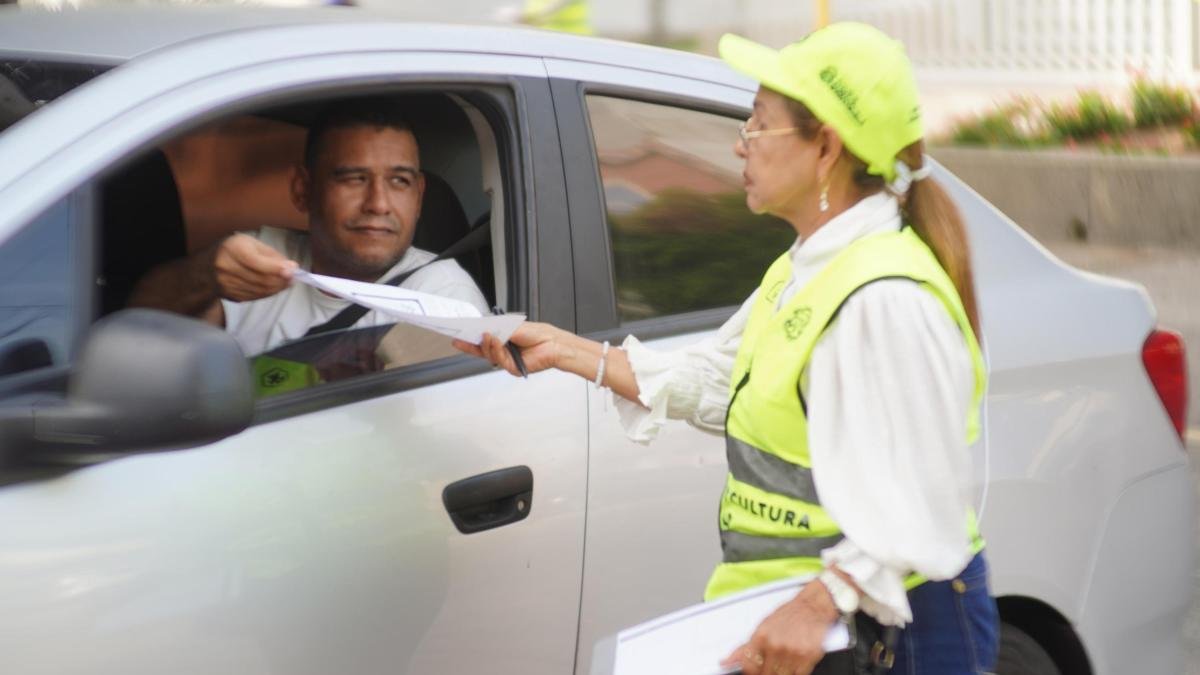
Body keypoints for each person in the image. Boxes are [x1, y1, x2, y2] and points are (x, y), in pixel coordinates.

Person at [456, 22, 998, 675]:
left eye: (757, 125)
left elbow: (926, 497)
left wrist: (823, 600)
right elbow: (725, 380)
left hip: (891, 629)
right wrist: (572, 352)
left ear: (825, 148)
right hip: (811, 621)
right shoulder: (808, 265)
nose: (740, 145)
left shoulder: (884, 296)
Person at [130, 98, 490, 356]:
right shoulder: (265, 257)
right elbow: (140, 325)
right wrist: (204, 273)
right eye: (353, 178)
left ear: (419, 197)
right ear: (303, 190)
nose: (378, 203)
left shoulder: (443, 297)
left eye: (399, 181)